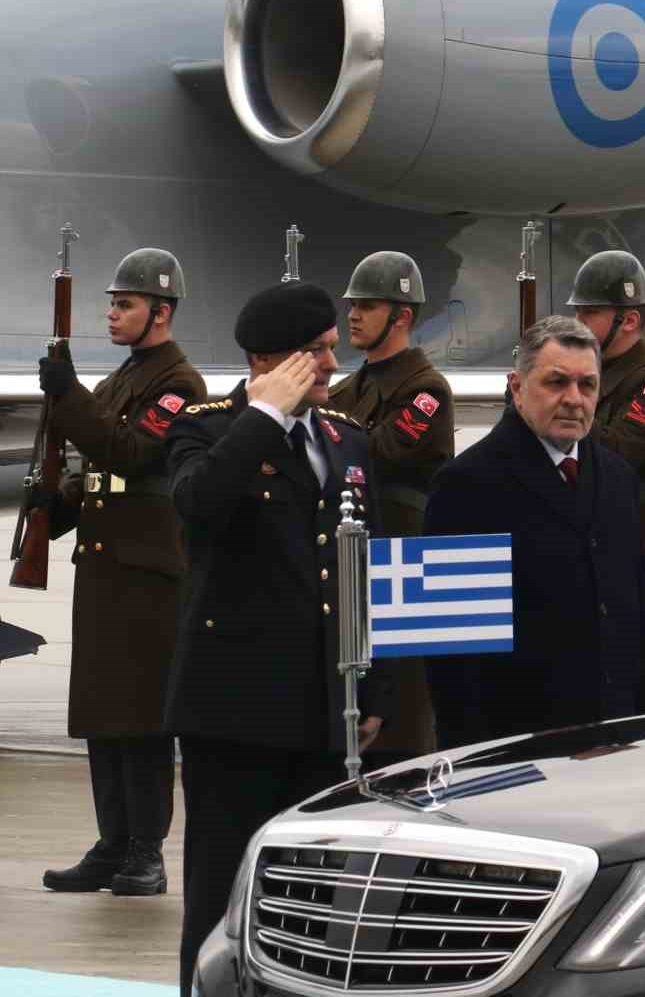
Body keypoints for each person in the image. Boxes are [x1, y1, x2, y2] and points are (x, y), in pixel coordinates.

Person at [164, 281, 389, 997]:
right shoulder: (207, 428)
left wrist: (371, 687)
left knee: (311, 899)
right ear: (268, 360)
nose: (332, 364)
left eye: (331, 348)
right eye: (316, 351)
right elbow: (198, 506)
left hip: (323, 710)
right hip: (234, 710)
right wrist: (263, 415)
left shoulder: (345, 438)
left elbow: (364, 571)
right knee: (221, 889)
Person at [34, 248, 204, 898]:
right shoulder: (118, 383)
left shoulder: (179, 384)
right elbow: (98, 471)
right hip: (107, 570)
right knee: (104, 714)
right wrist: (58, 507)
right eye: (111, 303)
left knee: (142, 717)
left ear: (160, 312)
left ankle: (145, 851)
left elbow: (132, 453)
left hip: (147, 575)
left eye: (124, 304)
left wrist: (68, 393)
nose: (111, 314)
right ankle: (112, 844)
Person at [423, 315, 645, 747]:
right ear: (517, 387)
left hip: (614, 737)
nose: (574, 399)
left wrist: (639, 725)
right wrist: (476, 757)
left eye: (587, 385)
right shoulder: (467, 484)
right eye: (556, 382)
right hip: (518, 744)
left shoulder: (617, 478)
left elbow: (633, 618)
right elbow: (451, 656)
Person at [328, 251, 453, 764]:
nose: (353, 315)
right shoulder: (347, 389)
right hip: (354, 556)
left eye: (367, 306)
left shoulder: (425, 390)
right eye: (353, 305)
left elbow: (379, 452)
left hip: (404, 561)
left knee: (403, 716)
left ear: (401, 316)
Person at [569, 250, 645, 711]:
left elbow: (618, 453)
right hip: (596, 540)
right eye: (578, 312)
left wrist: (564, 405)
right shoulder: (592, 377)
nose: (579, 323)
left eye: (590, 313)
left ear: (629, 320)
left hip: (643, 548)